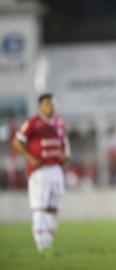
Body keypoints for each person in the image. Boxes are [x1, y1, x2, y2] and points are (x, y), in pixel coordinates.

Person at [13, 93, 70, 256]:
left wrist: (64, 155)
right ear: (40, 106)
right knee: (40, 208)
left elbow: (64, 144)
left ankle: (49, 245)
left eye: (52, 103)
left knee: (53, 208)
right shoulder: (33, 123)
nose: (50, 106)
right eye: (47, 104)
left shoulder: (59, 122)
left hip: (56, 170)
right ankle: (42, 246)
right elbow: (17, 142)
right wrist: (30, 158)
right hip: (40, 171)